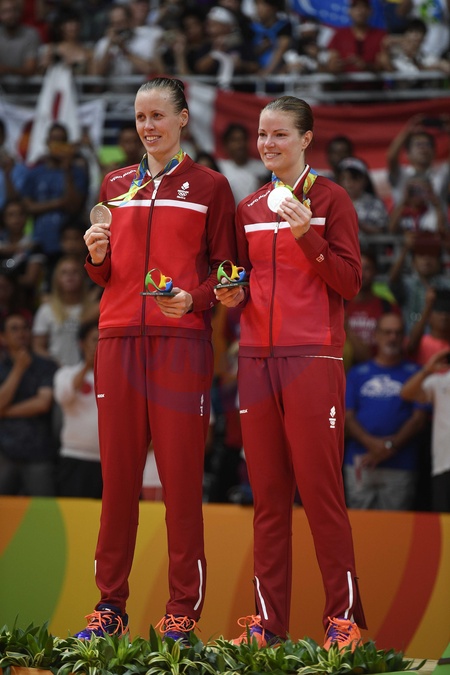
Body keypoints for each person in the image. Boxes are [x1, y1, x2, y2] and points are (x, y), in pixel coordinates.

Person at [74, 77, 236, 643]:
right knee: (117, 482)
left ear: (183, 118)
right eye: (141, 117)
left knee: (181, 484)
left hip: (180, 343)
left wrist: (194, 300)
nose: (148, 127)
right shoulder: (115, 183)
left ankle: (181, 614)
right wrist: (96, 257)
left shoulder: (211, 186)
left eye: (158, 116)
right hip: (117, 339)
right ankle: (109, 607)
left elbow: (230, 272)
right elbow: (105, 274)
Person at [215, 95, 366, 650]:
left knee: (322, 496)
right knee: (268, 500)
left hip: (312, 359)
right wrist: (231, 294)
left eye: (280, 134)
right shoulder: (249, 206)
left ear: (306, 139)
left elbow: (350, 282)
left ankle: (343, 622)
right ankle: (267, 626)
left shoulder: (331, 199)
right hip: (256, 359)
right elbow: (241, 279)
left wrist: (308, 234)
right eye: (262, 134)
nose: (267, 144)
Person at [344, 313, 427, 510]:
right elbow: (347, 416)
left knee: (397, 526)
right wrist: (373, 445)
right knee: (359, 524)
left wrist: (390, 446)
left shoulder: (416, 373)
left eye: (398, 333)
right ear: (376, 335)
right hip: (360, 461)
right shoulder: (357, 373)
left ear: (404, 337)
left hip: (401, 464)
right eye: (387, 332)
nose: (392, 337)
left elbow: (419, 419)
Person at [0, 313, 58, 496]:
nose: (21, 333)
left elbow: (42, 404)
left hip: (38, 452)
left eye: (25, 328)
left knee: (45, 509)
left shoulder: (46, 366)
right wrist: (18, 369)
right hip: (4, 452)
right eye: (14, 329)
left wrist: (5, 412)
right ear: (3, 337)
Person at [53, 318, 102, 498]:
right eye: (94, 339)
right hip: (75, 455)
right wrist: (88, 365)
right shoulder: (66, 373)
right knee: (73, 513)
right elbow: (64, 397)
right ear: (81, 343)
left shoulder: (120, 377)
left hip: (109, 459)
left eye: (103, 339)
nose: (99, 344)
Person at [400, 345, 450, 512]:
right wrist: (427, 370)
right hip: (444, 466)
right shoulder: (441, 381)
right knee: (445, 524)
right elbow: (407, 393)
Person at [32, 254, 100, 368]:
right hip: (55, 370)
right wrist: (54, 364)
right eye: (64, 273)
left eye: (74, 272)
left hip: (89, 370)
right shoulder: (46, 310)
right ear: (56, 279)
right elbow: (38, 347)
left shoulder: (94, 310)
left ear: (83, 277)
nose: (70, 276)